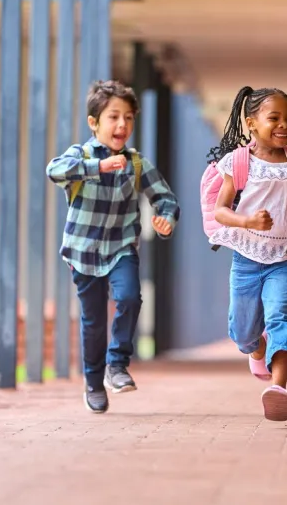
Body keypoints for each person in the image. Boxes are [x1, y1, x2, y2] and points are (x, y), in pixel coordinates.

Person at [46, 80, 180, 414]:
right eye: (113, 117)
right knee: (93, 322)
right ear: (94, 122)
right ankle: (93, 383)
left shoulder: (136, 163)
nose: (122, 125)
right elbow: (54, 170)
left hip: (121, 247)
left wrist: (166, 220)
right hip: (83, 251)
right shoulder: (81, 155)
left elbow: (166, 199)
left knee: (130, 296)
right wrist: (97, 168)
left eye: (129, 118)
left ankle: (117, 365)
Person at [207, 86, 287, 421]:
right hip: (247, 258)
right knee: (243, 331)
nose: (284, 125)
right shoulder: (238, 162)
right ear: (251, 123)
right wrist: (247, 220)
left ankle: (278, 388)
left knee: (280, 316)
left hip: (285, 257)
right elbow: (221, 210)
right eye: (273, 117)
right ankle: (256, 348)